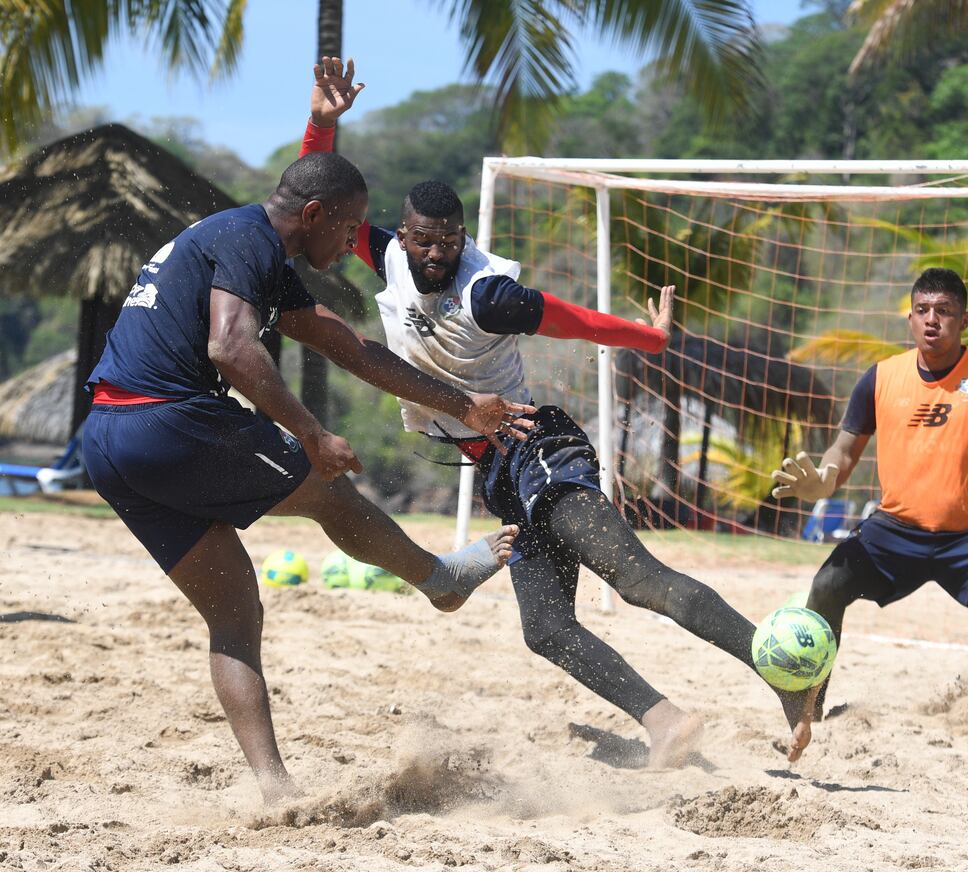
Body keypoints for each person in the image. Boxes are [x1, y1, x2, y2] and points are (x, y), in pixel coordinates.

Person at [299, 56, 814, 767]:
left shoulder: (488, 295)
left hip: (538, 451)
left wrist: (650, 338)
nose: (437, 254)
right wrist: (321, 125)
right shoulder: (385, 255)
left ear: (461, 238)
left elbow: (575, 320)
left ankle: (784, 674)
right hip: (500, 471)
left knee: (637, 581)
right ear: (404, 234)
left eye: (449, 241)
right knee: (544, 629)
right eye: (424, 240)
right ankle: (665, 720)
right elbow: (317, 196)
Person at [79, 148, 538, 803]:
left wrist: (463, 405)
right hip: (169, 422)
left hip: (107, 442)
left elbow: (349, 347)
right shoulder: (249, 240)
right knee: (331, 494)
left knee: (235, 614)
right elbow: (229, 346)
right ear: (314, 214)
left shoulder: (247, 248)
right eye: (349, 228)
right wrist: (312, 435)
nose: (354, 242)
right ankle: (440, 581)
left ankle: (274, 789)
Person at [770, 267, 968, 761]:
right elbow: (841, 455)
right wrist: (818, 482)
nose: (932, 320)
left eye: (944, 311)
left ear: (964, 321)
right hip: (894, 531)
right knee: (826, 587)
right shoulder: (881, 377)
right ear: (910, 318)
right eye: (923, 310)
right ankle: (805, 715)